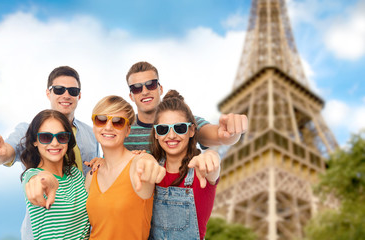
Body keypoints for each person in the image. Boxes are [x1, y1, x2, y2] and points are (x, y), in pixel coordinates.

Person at [0, 66, 99, 239]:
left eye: (72, 90)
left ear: (79, 95)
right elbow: (8, 155)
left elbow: (92, 180)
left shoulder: (92, 135)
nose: (66, 95)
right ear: (48, 93)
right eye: (58, 89)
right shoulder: (27, 131)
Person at [86, 95, 166, 239]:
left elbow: (146, 163)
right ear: (94, 126)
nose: (108, 126)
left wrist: (149, 162)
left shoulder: (137, 164)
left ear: (128, 130)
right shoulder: (91, 175)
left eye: (118, 122)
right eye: (101, 120)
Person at [124, 61, 248, 153]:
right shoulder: (122, 129)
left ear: (160, 89)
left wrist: (229, 134)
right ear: (131, 96)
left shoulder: (185, 121)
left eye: (151, 85)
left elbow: (215, 135)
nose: (144, 92)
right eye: (136, 88)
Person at [149, 90, 222, 240]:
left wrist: (211, 155)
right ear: (156, 134)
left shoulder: (201, 172)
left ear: (191, 130)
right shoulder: (151, 170)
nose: (171, 135)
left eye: (179, 128)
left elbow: (212, 168)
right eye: (163, 129)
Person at [21, 109, 90, 239]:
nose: (54, 143)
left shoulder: (76, 174)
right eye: (45, 137)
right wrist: (44, 180)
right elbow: (36, 180)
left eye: (62, 136)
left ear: (68, 140)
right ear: (35, 141)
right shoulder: (32, 175)